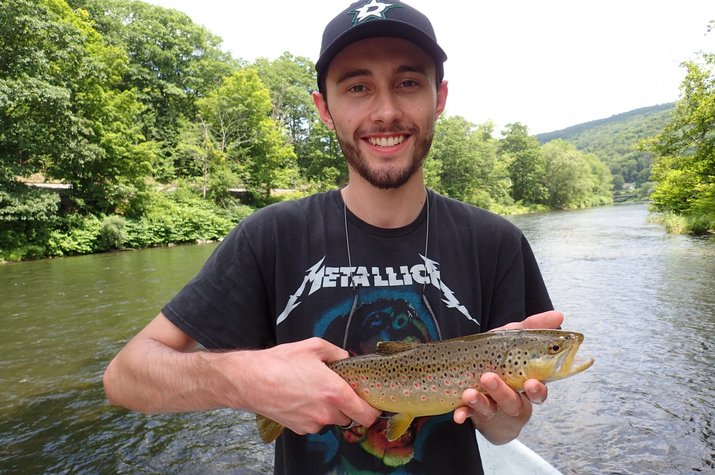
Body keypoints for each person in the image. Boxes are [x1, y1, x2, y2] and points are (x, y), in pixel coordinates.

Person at [103, 1, 564, 473]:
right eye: (358, 87)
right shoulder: (270, 236)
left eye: (408, 83)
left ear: (438, 97)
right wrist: (242, 379)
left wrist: (505, 416)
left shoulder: (496, 243)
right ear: (324, 108)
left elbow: (503, 430)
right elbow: (125, 377)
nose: (386, 111)